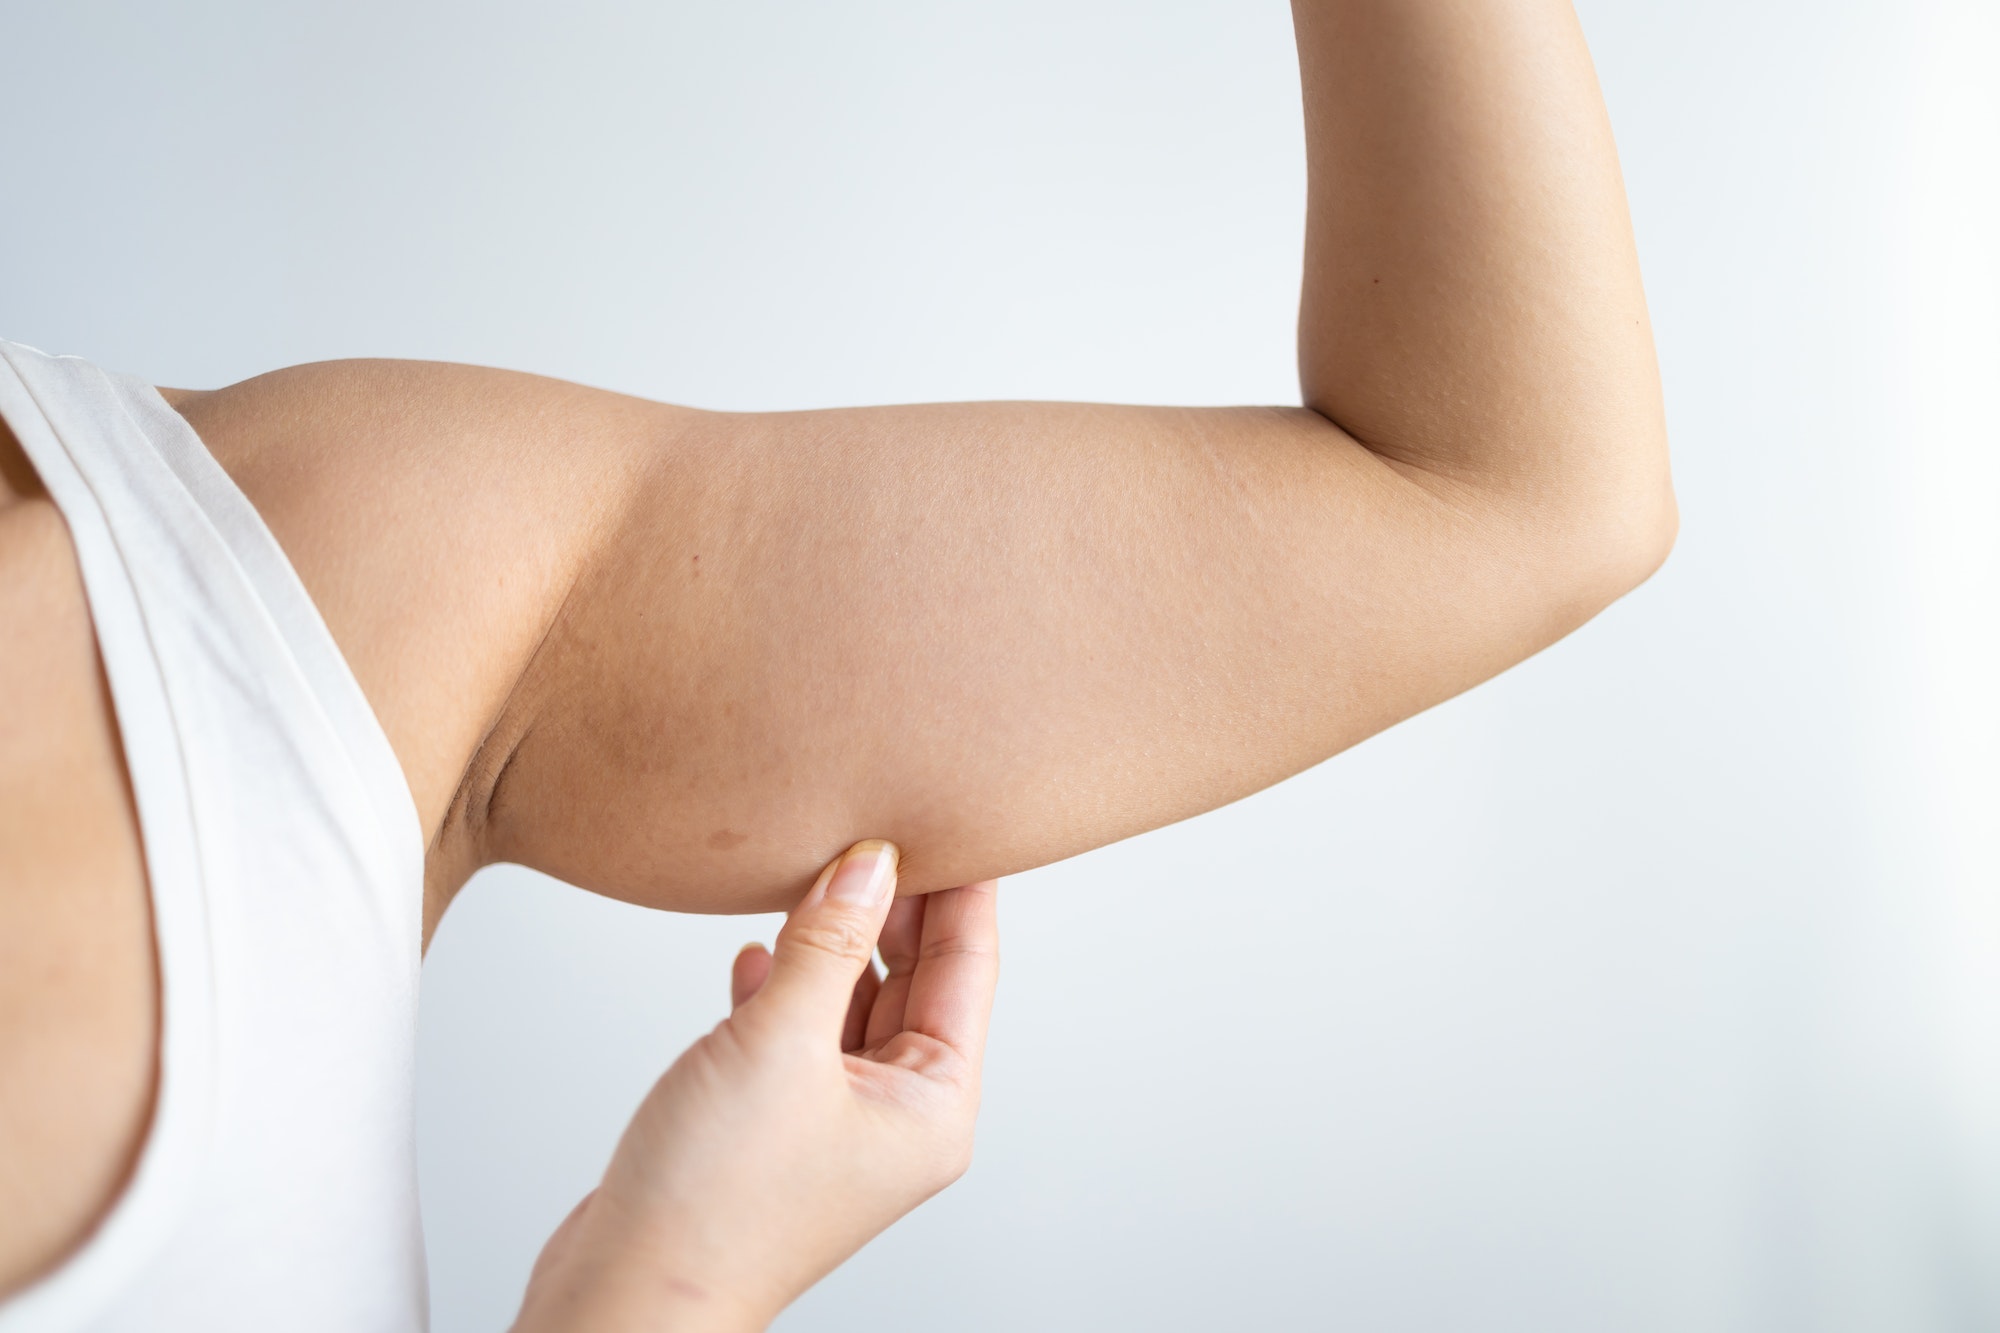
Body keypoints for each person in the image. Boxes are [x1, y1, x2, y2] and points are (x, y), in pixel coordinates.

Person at [0, 0, 1674, 1327]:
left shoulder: (290, 573)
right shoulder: (311, 579)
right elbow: (1507, 495)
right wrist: (672, 1293)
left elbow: (1505, 487)